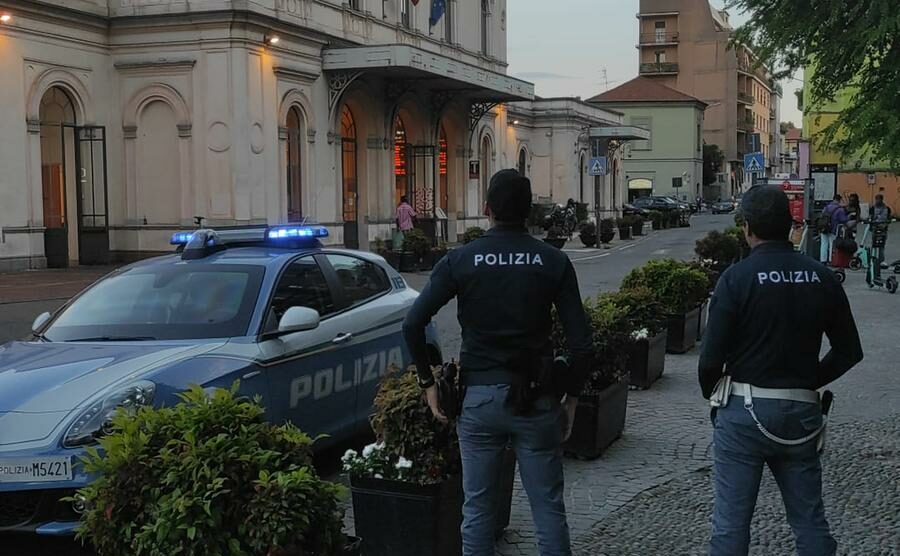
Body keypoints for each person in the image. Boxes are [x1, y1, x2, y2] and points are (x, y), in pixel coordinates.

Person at [403, 169, 593, 556]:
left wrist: (428, 383)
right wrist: (571, 398)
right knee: (548, 510)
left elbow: (412, 324)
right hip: (537, 398)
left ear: (486, 209)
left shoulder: (461, 260)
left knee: (477, 512)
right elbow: (582, 344)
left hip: (479, 399)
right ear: (529, 213)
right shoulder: (553, 261)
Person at [699, 185, 864, 556]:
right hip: (801, 411)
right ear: (791, 225)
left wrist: (715, 395)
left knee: (730, 525)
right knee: (810, 521)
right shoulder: (822, 277)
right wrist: (808, 383)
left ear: (747, 227)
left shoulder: (736, 279)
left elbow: (710, 358)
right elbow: (850, 351)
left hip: (744, 410)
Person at [818, 194, 848, 263]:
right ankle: (831, 260)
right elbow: (843, 219)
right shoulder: (840, 209)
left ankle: (823, 260)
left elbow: (822, 215)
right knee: (832, 244)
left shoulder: (826, 207)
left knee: (824, 244)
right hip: (833, 229)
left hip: (824, 228)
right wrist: (849, 216)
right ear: (839, 200)